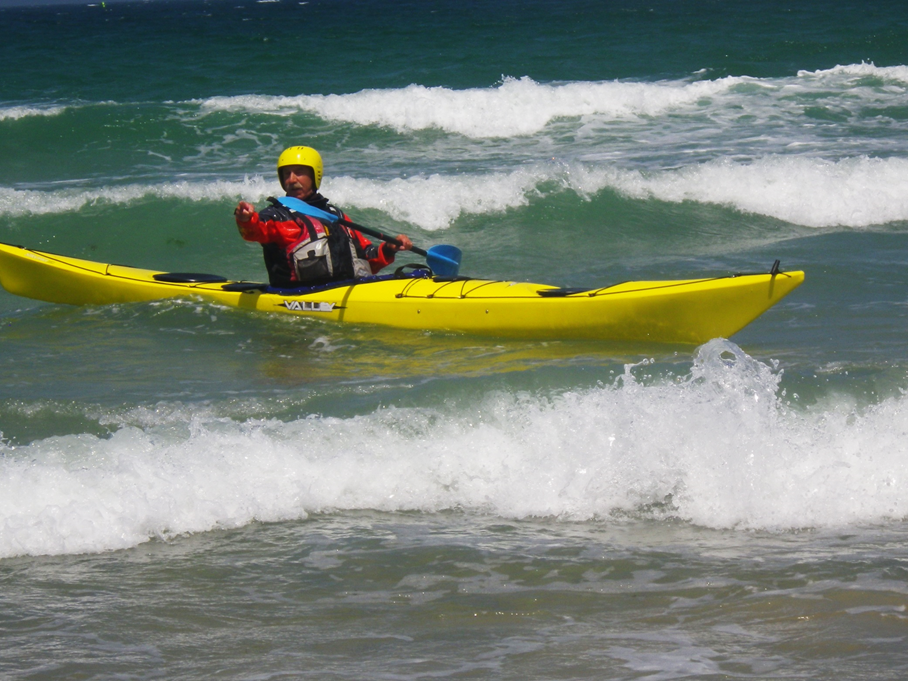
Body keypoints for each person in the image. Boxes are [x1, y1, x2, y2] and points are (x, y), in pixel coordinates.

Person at [234, 146, 413, 288]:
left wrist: (389, 248)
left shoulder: (335, 215)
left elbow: (365, 257)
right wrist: (246, 219)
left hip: (344, 291)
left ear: (314, 176)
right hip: (300, 296)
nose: (291, 179)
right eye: (286, 174)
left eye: (299, 172)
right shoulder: (278, 215)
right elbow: (256, 231)